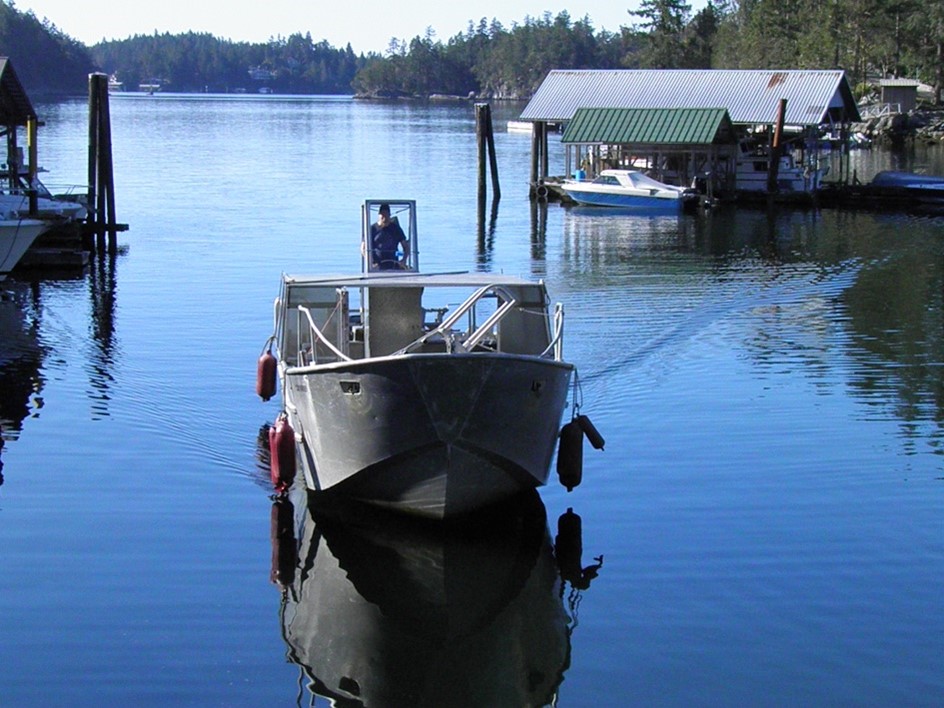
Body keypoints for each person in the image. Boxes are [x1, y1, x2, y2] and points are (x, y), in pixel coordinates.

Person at [370, 203, 410, 270]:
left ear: (389, 215)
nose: (384, 219)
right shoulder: (372, 229)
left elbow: (406, 246)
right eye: (382, 216)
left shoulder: (396, 228)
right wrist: (370, 262)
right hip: (376, 265)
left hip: (393, 263)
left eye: (386, 216)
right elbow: (363, 248)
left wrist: (404, 259)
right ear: (379, 215)